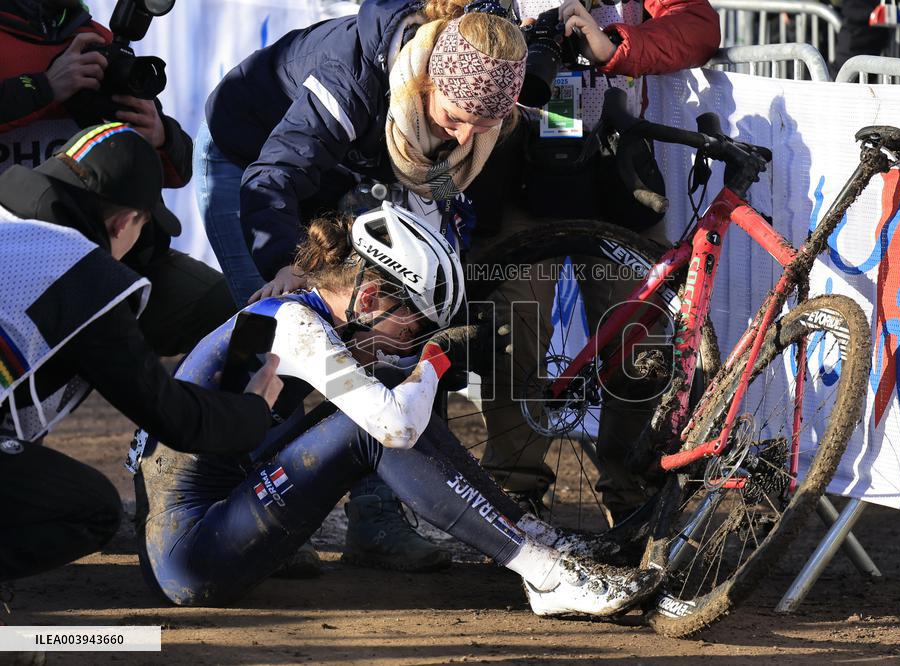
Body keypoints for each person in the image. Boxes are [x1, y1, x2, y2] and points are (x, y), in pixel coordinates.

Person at [132, 201, 661, 616]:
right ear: (366, 300)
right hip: (192, 556)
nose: (412, 339)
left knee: (388, 389)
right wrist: (435, 356)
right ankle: (547, 574)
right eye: (415, 324)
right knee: (379, 423)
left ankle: (540, 538)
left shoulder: (296, 311)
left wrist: (423, 362)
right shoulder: (295, 324)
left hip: (195, 528)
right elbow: (396, 428)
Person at [195, 0, 528, 572]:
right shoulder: (350, 74)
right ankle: (244, 516)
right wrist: (285, 264)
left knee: (400, 328)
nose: (465, 136)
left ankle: (377, 518)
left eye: (483, 128)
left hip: (349, 178)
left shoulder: (461, 118)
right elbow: (272, 177)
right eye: (454, 119)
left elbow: (445, 215)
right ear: (425, 82)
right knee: (276, 335)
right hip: (250, 163)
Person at [471, 0, 719, 525]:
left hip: (614, 164)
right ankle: (513, 499)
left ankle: (632, 501)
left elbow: (699, 25)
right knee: (516, 326)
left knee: (642, 335)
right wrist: (508, 40)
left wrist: (617, 47)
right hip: (519, 165)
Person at [0, 123, 283, 583]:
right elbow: (170, 416)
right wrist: (253, 411)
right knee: (91, 509)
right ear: (123, 222)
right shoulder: (79, 272)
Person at [0, 0, 240, 359]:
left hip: (111, 263)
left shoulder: (94, 39)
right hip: (14, 264)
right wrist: (43, 87)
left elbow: (179, 171)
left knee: (229, 314)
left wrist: (160, 135)